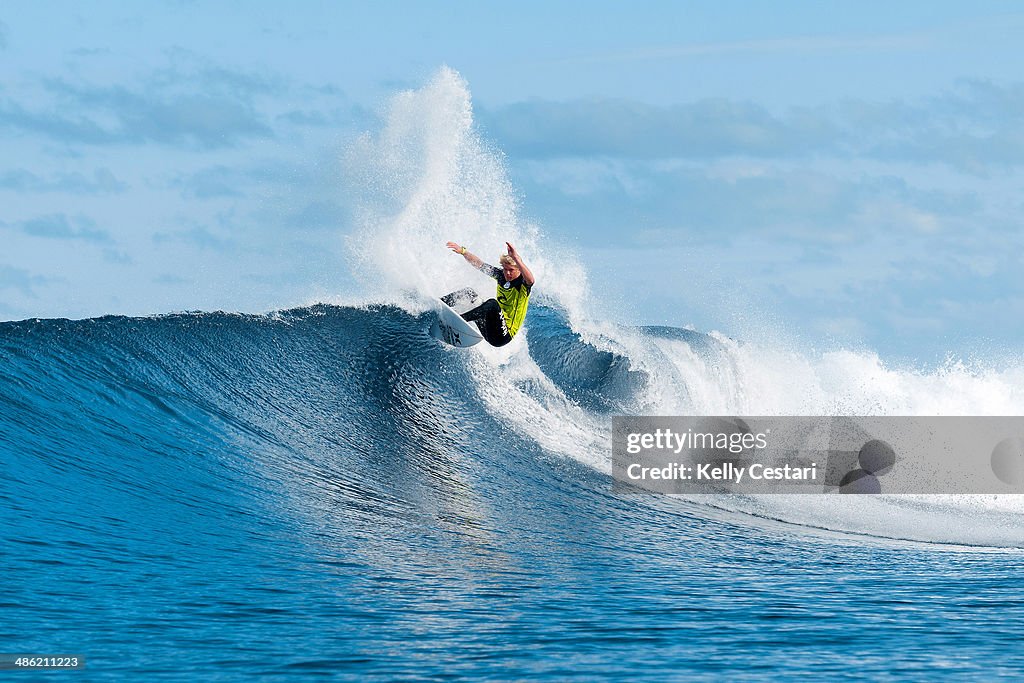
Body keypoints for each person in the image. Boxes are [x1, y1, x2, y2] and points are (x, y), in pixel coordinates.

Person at [443, 240, 535, 347]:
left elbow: (531, 280)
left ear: (519, 270)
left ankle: (458, 320)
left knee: (492, 304)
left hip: (502, 336)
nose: (507, 273)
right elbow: (480, 265)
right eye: (505, 269)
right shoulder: (500, 275)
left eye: (511, 270)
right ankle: (440, 303)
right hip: (489, 328)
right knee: (469, 293)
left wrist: (516, 258)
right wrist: (463, 251)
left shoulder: (522, 285)